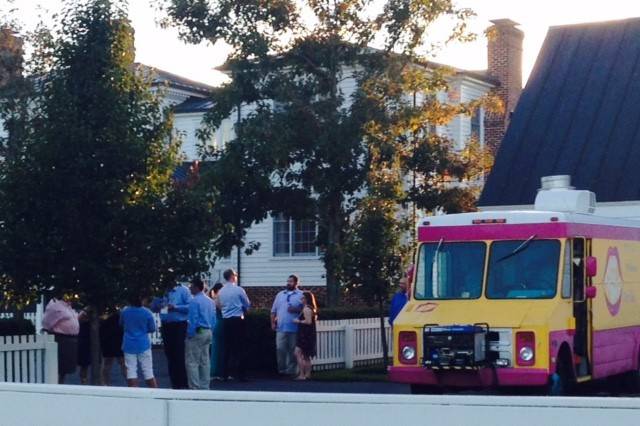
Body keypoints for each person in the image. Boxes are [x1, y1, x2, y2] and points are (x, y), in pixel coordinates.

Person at [150, 280, 192, 389]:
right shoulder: (161, 291)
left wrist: (176, 307)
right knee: (169, 354)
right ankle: (174, 383)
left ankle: (183, 383)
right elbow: (153, 307)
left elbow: (190, 307)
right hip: (166, 325)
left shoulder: (184, 290)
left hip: (179, 325)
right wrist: (159, 304)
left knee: (179, 354)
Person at [217, 268, 251, 381]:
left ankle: (224, 373)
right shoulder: (239, 290)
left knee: (227, 347)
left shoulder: (221, 291)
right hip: (237, 319)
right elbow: (247, 304)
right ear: (232, 277)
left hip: (226, 320)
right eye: (235, 275)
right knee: (241, 347)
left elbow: (219, 305)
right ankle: (241, 374)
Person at [120, 294, 157, 388]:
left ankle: (134, 393)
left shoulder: (124, 312)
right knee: (148, 371)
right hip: (143, 343)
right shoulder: (147, 312)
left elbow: (121, 324)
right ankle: (155, 394)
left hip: (129, 344)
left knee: (131, 370)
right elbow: (152, 328)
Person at [185, 277, 216, 390]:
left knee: (192, 361)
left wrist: (189, 333)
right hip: (208, 331)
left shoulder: (194, 301)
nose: (190, 288)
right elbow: (213, 319)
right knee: (205, 361)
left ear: (196, 287)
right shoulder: (210, 301)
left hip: (198, 331)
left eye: (191, 286)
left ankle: (194, 387)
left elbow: (193, 319)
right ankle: (205, 387)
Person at [42, 295, 80, 384]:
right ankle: (56, 385)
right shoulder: (55, 306)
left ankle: (61, 384)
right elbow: (46, 322)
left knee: (65, 369)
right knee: (59, 367)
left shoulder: (68, 306)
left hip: (71, 340)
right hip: (61, 339)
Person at [270, 274, 304, 376]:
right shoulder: (280, 294)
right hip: (281, 327)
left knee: (293, 350)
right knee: (280, 348)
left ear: (296, 283)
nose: (288, 283)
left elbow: (307, 310)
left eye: (291, 281)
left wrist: (296, 309)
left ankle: (292, 370)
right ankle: (282, 369)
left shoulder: (301, 295)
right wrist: (272, 322)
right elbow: (273, 311)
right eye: (288, 281)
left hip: (294, 328)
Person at [293, 291, 317, 381]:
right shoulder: (310, 308)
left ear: (307, 299)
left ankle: (302, 374)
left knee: (297, 353)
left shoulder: (307, 309)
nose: (301, 299)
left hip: (305, 335)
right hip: (308, 334)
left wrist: (298, 321)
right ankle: (307, 374)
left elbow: (308, 322)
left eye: (303, 298)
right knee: (306, 356)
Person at [99, 309, 125, 386]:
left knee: (122, 362)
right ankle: (104, 383)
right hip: (108, 337)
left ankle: (130, 382)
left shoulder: (120, 311)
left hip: (116, 337)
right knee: (108, 362)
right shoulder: (103, 310)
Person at [208, 283, 224, 380]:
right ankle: (216, 371)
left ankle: (215, 371)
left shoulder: (212, 299)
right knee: (218, 349)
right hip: (220, 322)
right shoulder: (217, 299)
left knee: (216, 348)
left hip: (216, 324)